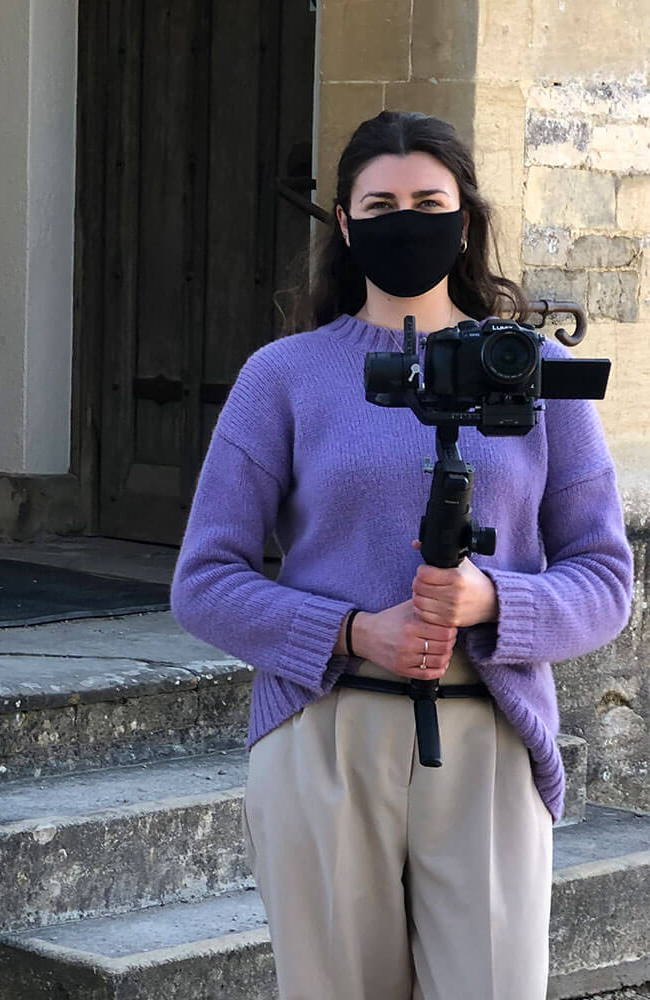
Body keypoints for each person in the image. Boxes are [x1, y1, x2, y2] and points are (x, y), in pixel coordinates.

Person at [171, 110, 633, 999]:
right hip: (324, 736)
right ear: (345, 224)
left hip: (490, 736)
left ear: (464, 220)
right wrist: (350, 630)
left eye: (429, 200)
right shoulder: (287, 376)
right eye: (380, 203)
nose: (406, 218)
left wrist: (490, 601)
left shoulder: (537, 374)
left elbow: (606, 578)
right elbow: (204, 581)